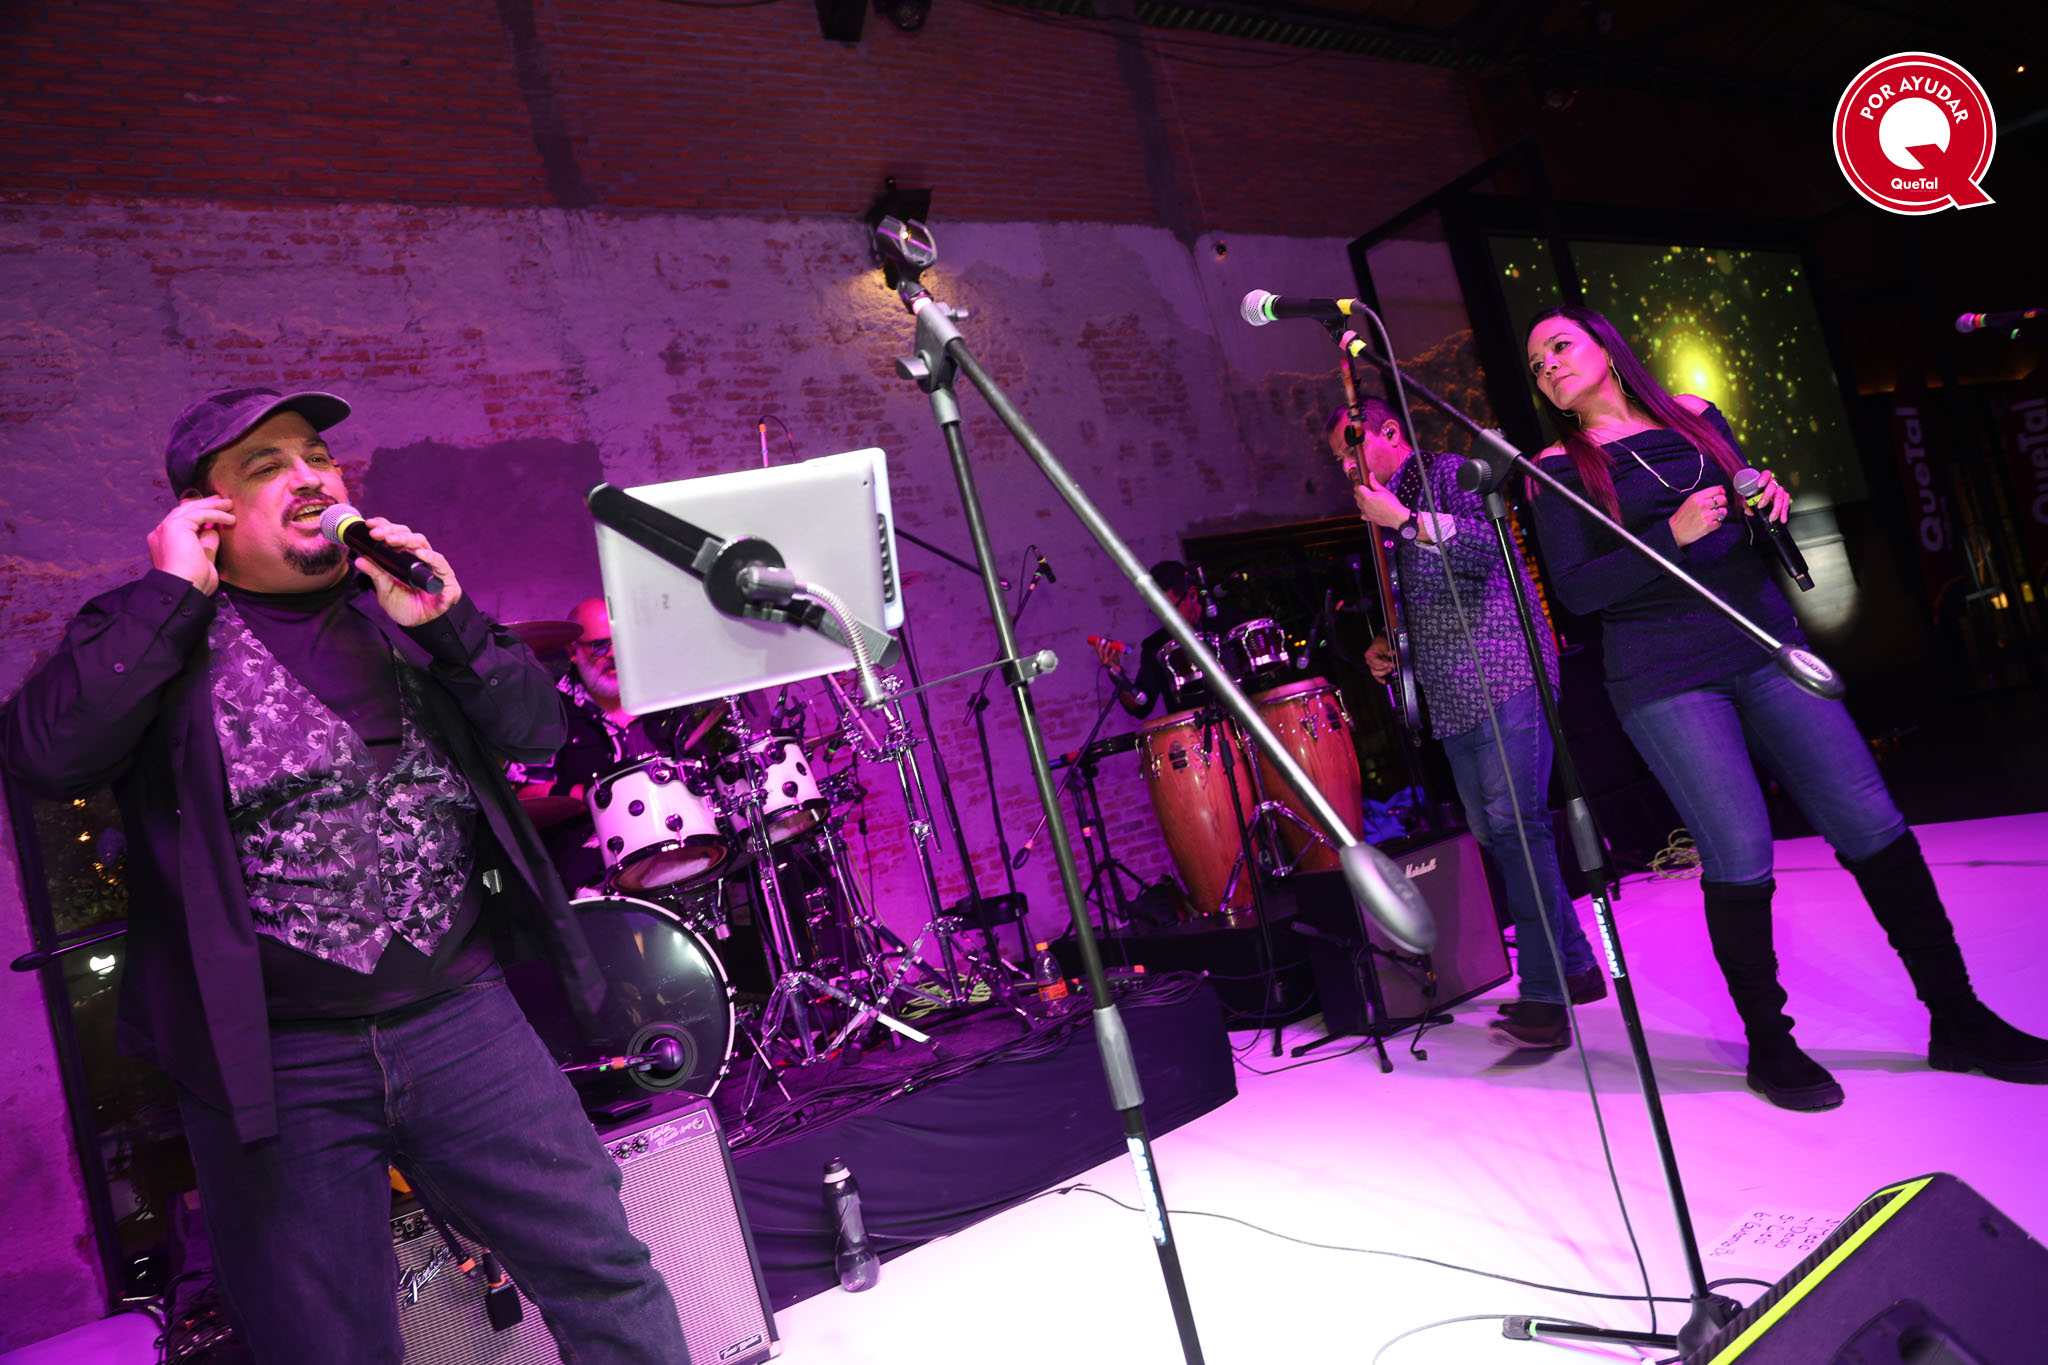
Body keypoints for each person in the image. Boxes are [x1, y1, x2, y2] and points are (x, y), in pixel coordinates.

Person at [1, 387, 691, 1363]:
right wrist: (169, 594)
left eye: (318, 455)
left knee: (603, 1273)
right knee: (327, 1344)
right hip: (278, 1061)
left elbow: (545, 734)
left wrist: (453, 625)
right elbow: (45, 757)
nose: (310, 476)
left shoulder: (399, 610)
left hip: (464, 1020)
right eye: (266, 465)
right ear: (206, 513)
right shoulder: (150, 627)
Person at [1522, 306, 2048, 1109]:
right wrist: (1672, 537)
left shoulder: (1694, 416)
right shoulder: (1555, 468)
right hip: (1664, 676)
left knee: (1873, 825)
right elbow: (1578, 591)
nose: (1549, 366)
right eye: (1536, 365)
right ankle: (1771, 1046)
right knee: (1739, 853)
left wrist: (1764, 504)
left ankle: (1960, 1018)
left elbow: (1745, 520)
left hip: (1766, 645)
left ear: (1606, 348)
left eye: (1561, 345)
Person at [1328, 399, 1603, 1049]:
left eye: (1351, 447)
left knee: (1516, 826)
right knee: (1496, 833)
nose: (1346, 466)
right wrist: (1391, 643)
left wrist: (1405, 521)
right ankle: (1578, 964)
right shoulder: (1384, 514)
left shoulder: (1449, 474)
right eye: (1338, 458)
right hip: (1452, 694)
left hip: (1506, 668)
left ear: (1390, 432)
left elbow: (1487, 550)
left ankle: (1544, 997)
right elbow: (1425, 599)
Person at [508, 596, 731, 897]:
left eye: (619, 643)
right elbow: (525, 794)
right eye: (600, 645)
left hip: (678, 838)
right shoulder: (546, 712)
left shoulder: (662, 703)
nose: (613, 654)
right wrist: (592, 796)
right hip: (592, 856)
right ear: (573, 651)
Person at [1092, 560, 1235, 719]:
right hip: (1192, 732)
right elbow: (1140, 706)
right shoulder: (1156, 646)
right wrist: (1115, 672)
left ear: (1192, 595)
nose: (1165, 619)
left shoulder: (1229, 624)